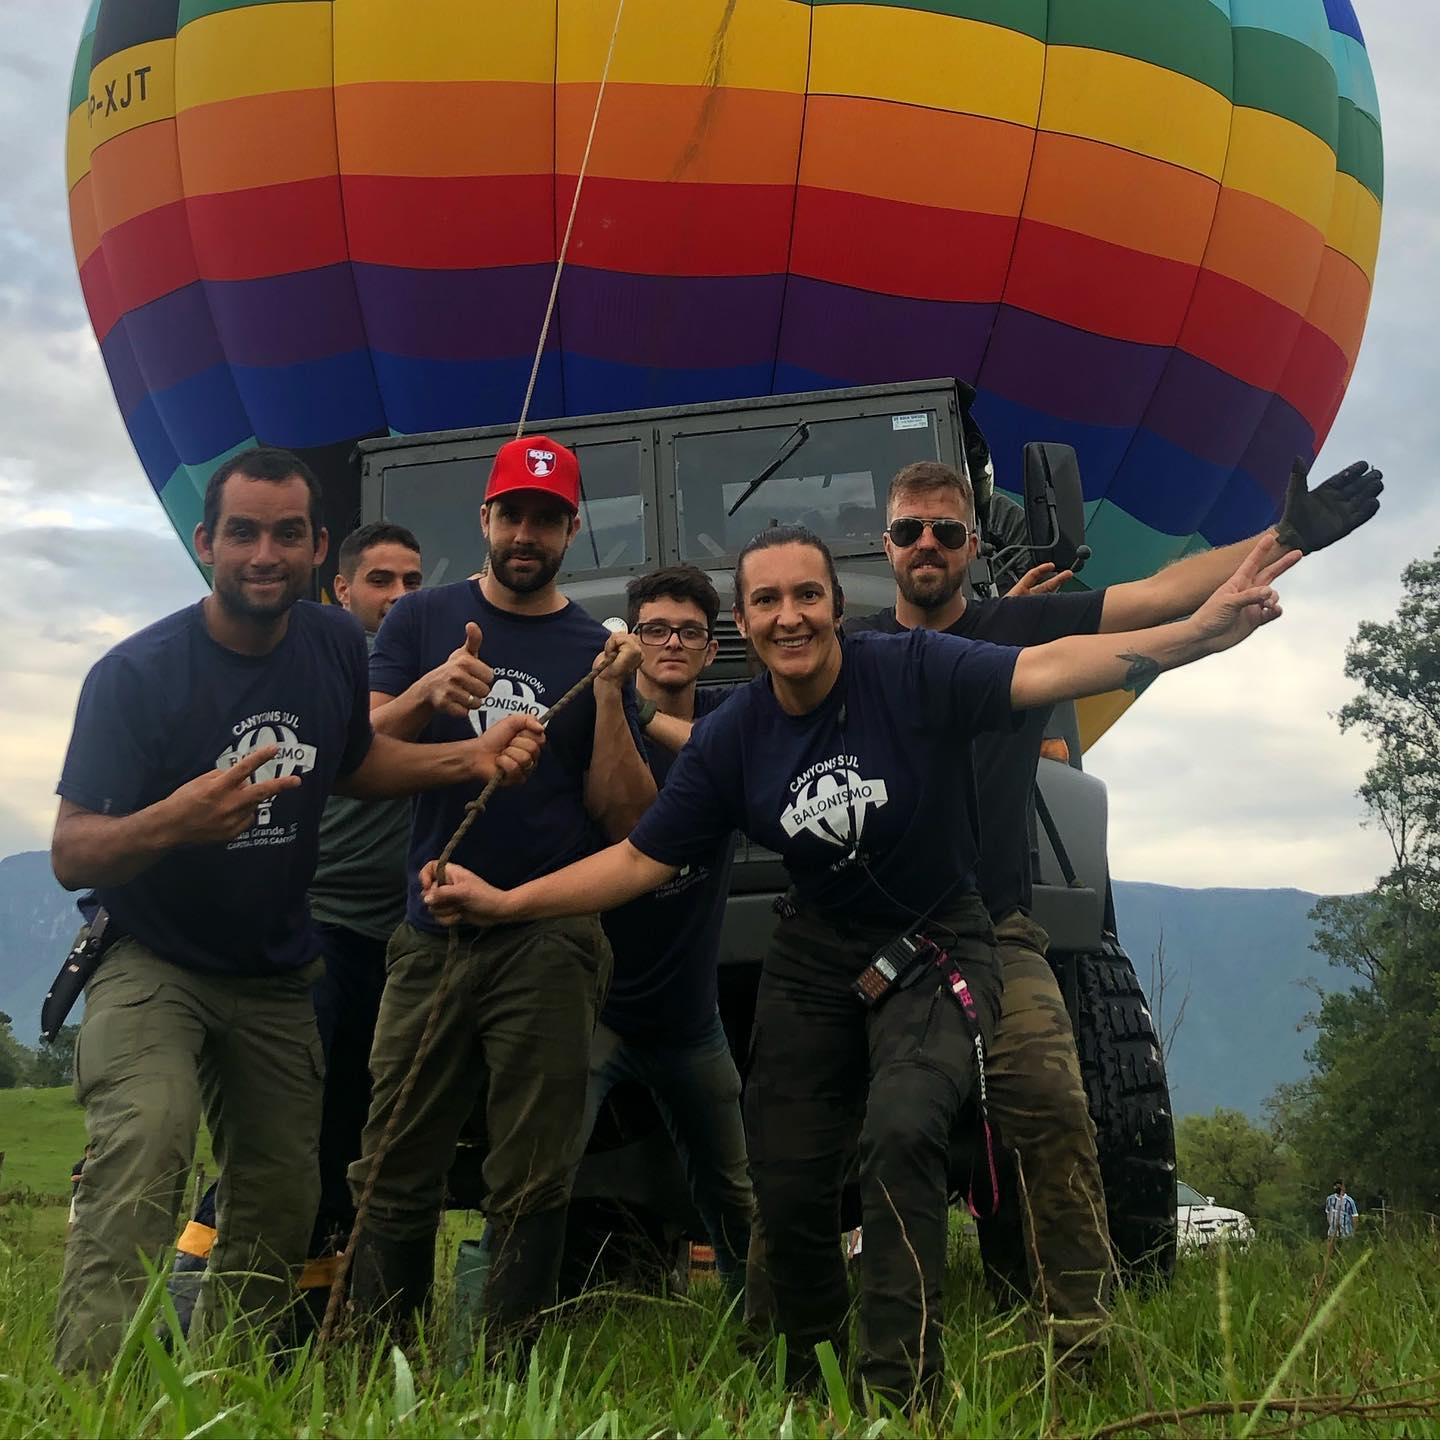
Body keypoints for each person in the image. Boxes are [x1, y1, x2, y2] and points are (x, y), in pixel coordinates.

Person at [418, 521, 1297, 1398]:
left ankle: (898, 1390)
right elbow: (641, 858)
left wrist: (1194, 634)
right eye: (767, 600)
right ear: (744, 623)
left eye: (807, 596)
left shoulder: (913, 671)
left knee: (905, 1129)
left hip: (937, 935)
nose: (789, 617)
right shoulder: (737, 736)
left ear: (839, 609)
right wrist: (504, 902)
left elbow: (1053, 666)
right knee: (789, 1171)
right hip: (816, 947)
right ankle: (807, 1378)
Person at [847, 452, 1383, 1356]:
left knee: (1055, 1107)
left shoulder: (1024, 628)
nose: (928, 545)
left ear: (974, 546)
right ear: (885, 544)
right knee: (818, 1120)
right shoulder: (848, 647)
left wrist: (1286, 537)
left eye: (946, 531)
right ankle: (842, 1328)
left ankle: (1084, 1339)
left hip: (994, 928)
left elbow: (1161, 594)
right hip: (865, 932)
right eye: (910, 532)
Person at [50, 448, 541, 1374]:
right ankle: (94, 1399)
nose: (263, 554)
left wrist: (468, 761)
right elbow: (74, 847)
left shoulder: (327, 646)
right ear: (205, 544)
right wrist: (176, 821)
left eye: (285, 534)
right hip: (155, 957)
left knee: (280, 1200)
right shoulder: (137, 673)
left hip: (277, 971)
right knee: (145, 1153)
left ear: (318, 550)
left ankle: (232, 1384)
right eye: (242, 532)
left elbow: (350, 763)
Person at [348, 435, 656, 1346]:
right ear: (484, 518)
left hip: (549, 939)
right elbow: (359, 753)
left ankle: (511, 1366)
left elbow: (628, 817)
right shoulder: (420, 620)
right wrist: (432, 694)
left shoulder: (594, 646)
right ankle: (379, 1361)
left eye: (548, 519)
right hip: (433, 933)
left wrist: (608, 700)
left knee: (533, 1170)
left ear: (572, 531)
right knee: (394, 1157)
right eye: (513, 514)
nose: (528, 533)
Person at [163, 522, 428, 1326]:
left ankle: (304, 1322)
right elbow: (359, 746)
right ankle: (187, 1300)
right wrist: (428, 694)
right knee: (289, 1136)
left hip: (402, 943)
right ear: (339, 587)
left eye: (414, 581)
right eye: (381, 580)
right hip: (324, 931)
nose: (400, 597)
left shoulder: (432, 665)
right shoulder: (319, 665)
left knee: (348, 1138)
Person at [574, 564, 753, 1286]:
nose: (672, 642)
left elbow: (730, 766)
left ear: (713, 650)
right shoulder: (593, 717)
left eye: (689, 631)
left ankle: (779, 1345)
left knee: (735, 1196)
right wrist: (612, 704)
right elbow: (620, 813)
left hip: (688, 1016)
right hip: (597, 1008)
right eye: (655, 629)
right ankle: (490, 1352)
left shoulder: (734, 720)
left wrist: (637, 708)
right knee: (534, 1184)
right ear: (632, 638)